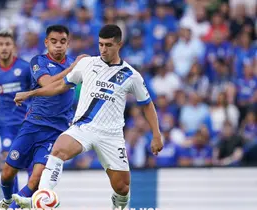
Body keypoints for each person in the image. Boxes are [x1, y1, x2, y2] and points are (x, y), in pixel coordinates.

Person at [13, 24, 164, 209]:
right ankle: (42, 199)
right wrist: (29, 94)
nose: (103, 49)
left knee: (122, 187)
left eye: (108, 45)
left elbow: (147, 105)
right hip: (83, 127)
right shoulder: (87, 64)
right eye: (100, 44)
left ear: (119, 45)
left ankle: (120, 207)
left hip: (111, 135)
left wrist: (156, 135)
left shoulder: (132, 76)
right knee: (58, 149)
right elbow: (60, 86)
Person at [0, 25, 87, 209]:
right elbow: (49, 84)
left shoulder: (75, 65)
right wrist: (73, 68)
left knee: (35, 179)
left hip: (56, 132)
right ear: (46, 42)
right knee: (6, 174)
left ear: (68, 43)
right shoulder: (38, 61)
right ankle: (6, 201)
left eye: (62, 42)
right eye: (53, 41)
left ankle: (13, 208)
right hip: (32, 126)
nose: (58, 46)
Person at [0, 30, 32, 208]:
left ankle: (28, 201)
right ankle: (14, 204)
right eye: (1, 44)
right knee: (10, 165)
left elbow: (35, 93)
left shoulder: (25, 68)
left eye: (7, 44)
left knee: (31, 164)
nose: (4, 48)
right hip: (6, 125)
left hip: (27, 123)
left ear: (13, 46)